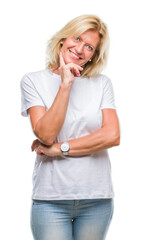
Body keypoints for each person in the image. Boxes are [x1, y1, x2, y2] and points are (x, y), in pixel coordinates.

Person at [20, 14, 120, 240]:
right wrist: (66, 83)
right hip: (51, 200)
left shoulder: (102, 84)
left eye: (90, 47)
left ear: (93, 56)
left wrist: (58, 149)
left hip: (97, 199)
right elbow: (46, 134)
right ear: (63, 39)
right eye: (77, 38)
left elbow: (112, 135)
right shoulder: (33, 80)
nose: (80, 49)